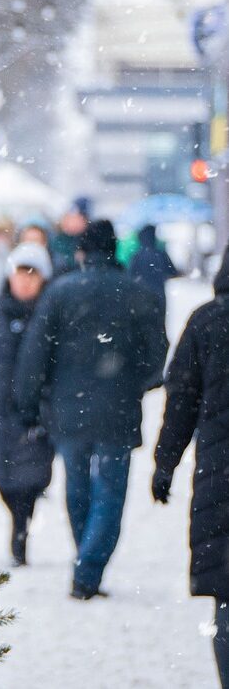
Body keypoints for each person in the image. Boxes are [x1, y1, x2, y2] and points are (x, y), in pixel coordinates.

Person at [16, 220, 168, 599]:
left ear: (82, 252)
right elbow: (156, 358)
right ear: (114, 250)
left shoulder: (59, 293)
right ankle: (90, 565)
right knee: (111, 492)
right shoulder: (137, 293)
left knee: (78, 486)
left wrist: (30, 403)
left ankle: (84, 558)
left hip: (69, 410)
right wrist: (135, 384)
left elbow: (35, 354)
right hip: (118, 410)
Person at [152, 244, 229, 688]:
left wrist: (166, 464)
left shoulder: (206, 321)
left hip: (221, 478)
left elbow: (180, 401)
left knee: (227, 599)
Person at [0, 242, 54, 566]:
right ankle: (17, 521)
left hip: (34, 411)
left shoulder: (49, 311)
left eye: (33, 274)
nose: (25, 281)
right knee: (0, 477)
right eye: (21, 273)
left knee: (32, 479)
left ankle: (21, 529)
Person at [128, 223, 179, 309]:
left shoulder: (136, 256)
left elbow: (130, 275)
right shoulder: (161, 254)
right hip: (159, 295)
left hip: (141, 295)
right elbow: (173, 272)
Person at [49, 197, 90, 276]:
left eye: (77, 218)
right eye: (70, 217)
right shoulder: (55, 239)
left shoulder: (88, 242)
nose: (71, 221)